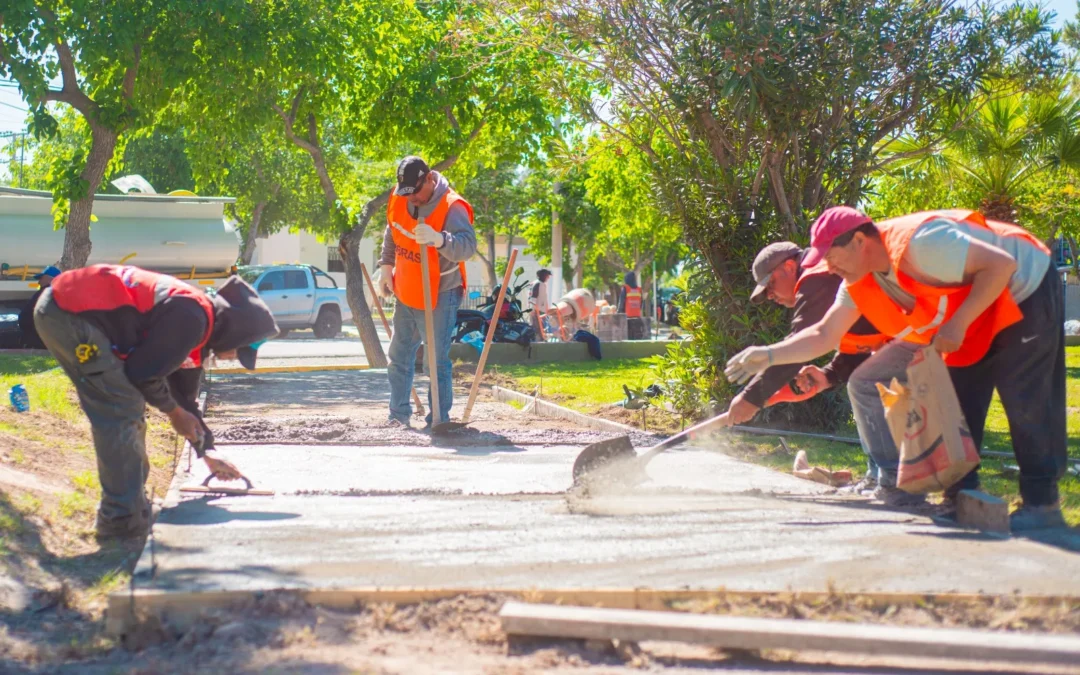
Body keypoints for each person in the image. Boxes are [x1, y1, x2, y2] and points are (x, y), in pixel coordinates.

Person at [726, 207, 1066, 530]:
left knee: (1025, 396)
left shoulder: (921, 244)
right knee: (960, 402)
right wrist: (769, 355)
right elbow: (823, 334)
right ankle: (961, 498)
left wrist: (959, 323)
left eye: (831, 256)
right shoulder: (855, 282)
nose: (828, 268)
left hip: (1024, 285)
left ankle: (1041, 505)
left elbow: (1001, 265)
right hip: (974, 307)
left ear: (859, 241)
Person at [33, 265, 279, 539]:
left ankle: (132, 508)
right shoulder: (190, 318)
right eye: (238, 351)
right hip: (67, 311)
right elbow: (143, 373)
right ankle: (120, 519)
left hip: (71, 309)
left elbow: (184, 399)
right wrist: (173, 412)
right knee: (120, 407)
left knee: (128, 405)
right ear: (234, 332)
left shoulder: (198, 326)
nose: (232, 358)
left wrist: (207, 450)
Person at [715, 243, 889, 492]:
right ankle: (882, 477)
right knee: (864, 381)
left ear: (788, 266)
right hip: (900, 339)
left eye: (770, 286)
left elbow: (799, 345)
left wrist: (750, 397)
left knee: (865, 384)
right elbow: (860, 341)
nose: (770, 296)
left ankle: (887, 481)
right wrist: (829, 375)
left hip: (918, 337)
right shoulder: (823, 277)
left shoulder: (817, 278)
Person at [378, 156, 478, 427]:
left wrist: (440, 239)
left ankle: (439, 420)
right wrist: (386, 266)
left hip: (440, 293)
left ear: (430, 179)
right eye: (406, 193)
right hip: (407, 290)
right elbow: (393, 228)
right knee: (398, 357)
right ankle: (397, 417)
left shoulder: (451, 206)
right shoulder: (402, 196)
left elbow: (468, 246)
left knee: (435, 361)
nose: (412, 200)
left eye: (416, 193)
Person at [18, 265, 60, 349]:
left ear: (49, 278)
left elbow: (27, 318)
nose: (38, 282)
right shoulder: (59, 296)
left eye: (41, 278)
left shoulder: (45, 294)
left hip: (37, 341)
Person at [618, 271, 645, 339]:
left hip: (627, 317)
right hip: (637, 316)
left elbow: (621, 302)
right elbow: (641, 303)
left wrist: (618, 312)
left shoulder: (625, 288)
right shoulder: (639, 289)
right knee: (637, 336)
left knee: (629, 336)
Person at [528, 269, 552, 337]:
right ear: (543, 276)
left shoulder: (540, 284)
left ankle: (539, 339)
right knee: (537, 328)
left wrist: (547, 309)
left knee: (540, 328)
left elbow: (542, 298)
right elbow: (533, 297)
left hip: (540, 310)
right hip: (536, 311)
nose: (548, 278)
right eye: (547, 276)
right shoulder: (538, 284)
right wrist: (532, 309)